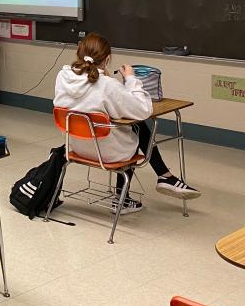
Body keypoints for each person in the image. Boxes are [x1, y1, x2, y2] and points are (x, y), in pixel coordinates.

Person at [53, 32, 200, 214]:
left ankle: (163, 177)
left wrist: (105, 78)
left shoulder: (63, 76)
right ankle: (141, 189)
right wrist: (130, 79)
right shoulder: (106, 85)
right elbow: (143, 110)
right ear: (107, 60)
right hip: (105, 153)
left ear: (79, 54)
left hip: (75, 147)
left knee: (133, 128)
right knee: (137, 129)